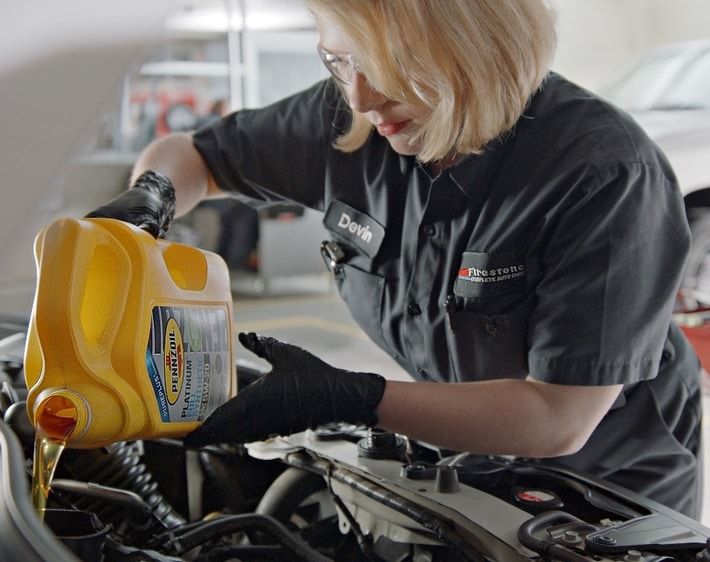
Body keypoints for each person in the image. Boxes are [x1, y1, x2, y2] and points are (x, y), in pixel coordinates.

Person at [87, 0, 703, 519]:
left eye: (392, 65)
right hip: (467, 467)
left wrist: (350, 396)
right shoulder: (350, 120)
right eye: (340, 59)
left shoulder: (605, 174)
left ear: (482, 49)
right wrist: (154, 199)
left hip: (604, 496)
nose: (360, 95)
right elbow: (193, 154)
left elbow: (556, 419)